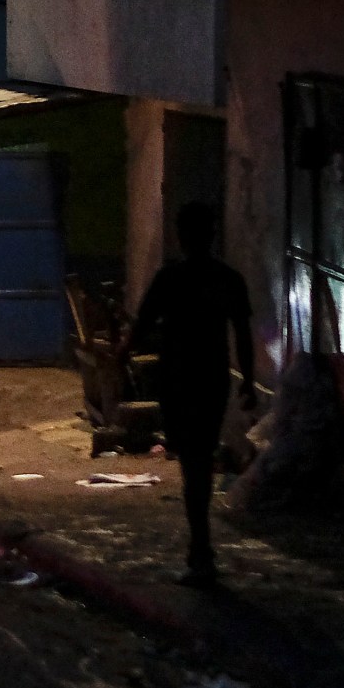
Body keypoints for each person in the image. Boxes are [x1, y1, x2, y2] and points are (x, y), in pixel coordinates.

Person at [124, 203, 258, 588]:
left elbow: (141, 325)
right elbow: (243, 334)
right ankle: (201, 549)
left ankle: (201, 550)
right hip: (212, 379)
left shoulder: (171, 278)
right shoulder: (228, 279)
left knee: (193, 464)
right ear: (211, 235)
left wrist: (119, 355)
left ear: (182, 236)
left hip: (179, 381)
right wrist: (247, 380)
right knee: (200, 457)